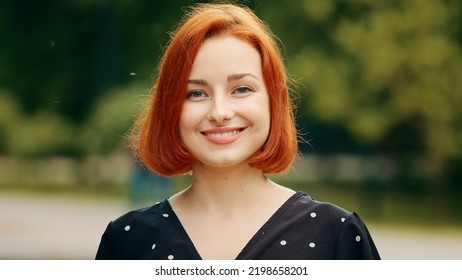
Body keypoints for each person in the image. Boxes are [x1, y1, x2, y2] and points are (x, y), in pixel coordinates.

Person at [95, 2, 380, 260]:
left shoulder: (336, 236)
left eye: (241, 89)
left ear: (273, 101)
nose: (219, 112)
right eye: (196, 93)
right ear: (170, 109)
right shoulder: (127, 242)